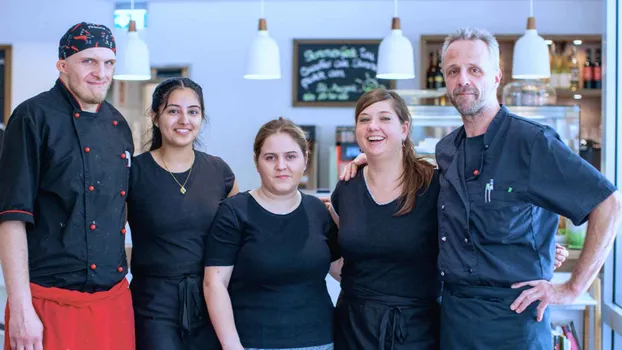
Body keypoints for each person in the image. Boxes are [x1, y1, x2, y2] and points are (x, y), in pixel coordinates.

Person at [341, 27, 619, 349]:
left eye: (475, 70)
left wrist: (571, 287)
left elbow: (608, 202)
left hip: (514, 323)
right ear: (445, 80)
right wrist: (374, 156)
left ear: (497, 77)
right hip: (453, 320)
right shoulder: (447, 150)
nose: (463, 80)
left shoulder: (532, 143)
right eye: (453, 71)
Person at [0, 22, 135, 350]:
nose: (101, 73)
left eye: (109, 63)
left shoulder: (119, 126)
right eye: (88, 61)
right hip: (47, 303)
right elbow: (12, 217)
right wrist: (20, 307)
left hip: (112, 301)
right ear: (63, 66)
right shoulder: (31, 117)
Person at [203, 117, 340, 350]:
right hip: (254, 342)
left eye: (290, 156)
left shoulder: (318, 211)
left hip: (322, 341)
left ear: (305, 160)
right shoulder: (234, 212)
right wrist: (231, 346)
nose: (281, 166)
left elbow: (343, 272)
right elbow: (214, 283)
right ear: (257, 162)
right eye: (270, 157)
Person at [126, 77, 239, 350]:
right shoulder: (133, 172)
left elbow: (240, 235)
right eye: (173, 110)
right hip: (152, 304)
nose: (184, 120)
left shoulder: (219, 171)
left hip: (211, 298)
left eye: (193, 112)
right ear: (155, 117)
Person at [329, 89, 441, 350]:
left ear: (404, 128)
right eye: (364, 119)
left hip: (416, 330)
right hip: (353, 327)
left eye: (384, 118)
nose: (373, 127)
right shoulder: (347, 187)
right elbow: (337, 254)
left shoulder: (434, 185)